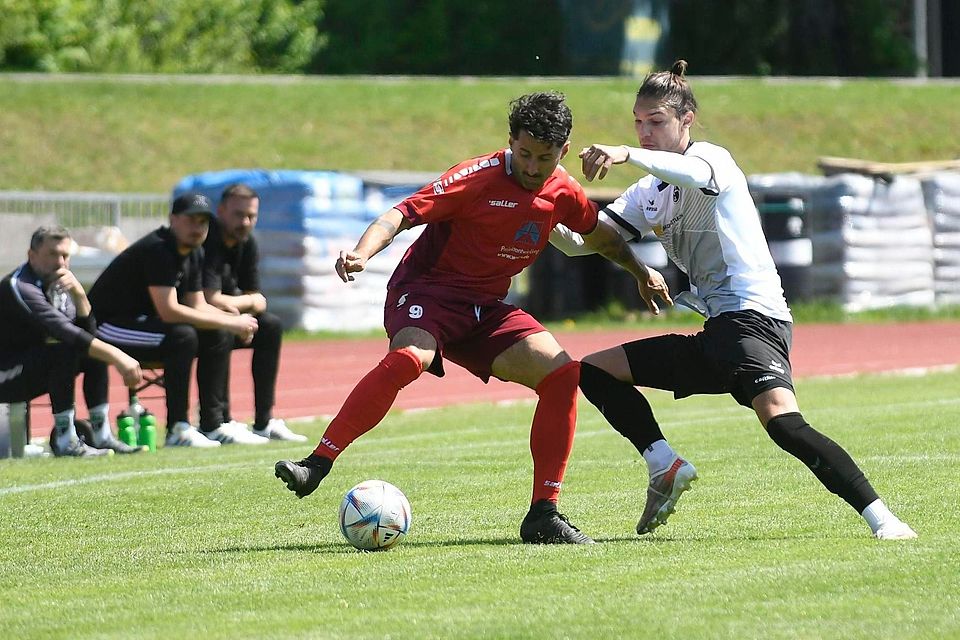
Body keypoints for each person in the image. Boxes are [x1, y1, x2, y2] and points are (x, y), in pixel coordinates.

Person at [274, 91, 668, 544]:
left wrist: (641, 273)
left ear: (563, 151)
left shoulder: (561, 190)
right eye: (524, 154)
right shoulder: (475, 177)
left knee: (562, 374)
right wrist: (362, 254)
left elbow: (602, 236)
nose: (533, 167)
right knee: (409, 359)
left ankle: (544, 513)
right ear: (510, 142)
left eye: (544, 157)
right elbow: (400, 214)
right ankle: (316, 465)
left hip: (487, 312)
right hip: (428, 295)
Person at [553, 60, 917, 540]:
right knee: (596, 369)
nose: (644, 132)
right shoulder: (648, 191)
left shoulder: (711, 160)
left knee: (784, 424)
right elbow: (585, 242)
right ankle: (664, 464)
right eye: (638, 123)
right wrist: (544, 205)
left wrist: (624, 153)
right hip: (718, 332)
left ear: (687, 120)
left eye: (656, 121)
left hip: (752, 320)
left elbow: (688, 173)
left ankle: (884, 520)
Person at [88, 192, 261, 448]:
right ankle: (177, 428)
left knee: (216, 333)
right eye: (191, 220)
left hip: (142, 322)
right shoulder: (159, 249)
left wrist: (232, 320)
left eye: (203, 222)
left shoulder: (193, 251)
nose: (197, 227)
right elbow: (169, 311)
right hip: (107, 325)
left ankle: (213, 424)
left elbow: (197, 304)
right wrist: (230, 322)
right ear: (173, 219)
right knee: (182, 336)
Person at [0, 225, 145, 456]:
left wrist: (80, 297)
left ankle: (101, 435)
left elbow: (86, 335)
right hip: (5, 373)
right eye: (52, 254)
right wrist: (119, 356)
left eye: (65, 255)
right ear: (32, 256)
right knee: (65, 350)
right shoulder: (20, 286)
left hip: (29, 368)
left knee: (91, 352)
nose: (60, 262)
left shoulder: (59, 284)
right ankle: (65, 440)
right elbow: (63, 331)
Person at [202, 183, 306, 442]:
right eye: (239, 215)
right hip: (197, 318)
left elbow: (259, 300)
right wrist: (240, 309)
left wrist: (236, 309)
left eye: (252, 216)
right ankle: (217, 422)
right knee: (222, 330)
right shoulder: (207, 240)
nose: (245, 222)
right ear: (221, 210)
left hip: (228, 314)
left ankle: (264, 421)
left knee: (269, 326)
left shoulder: (247, 243)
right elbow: (209, 298)